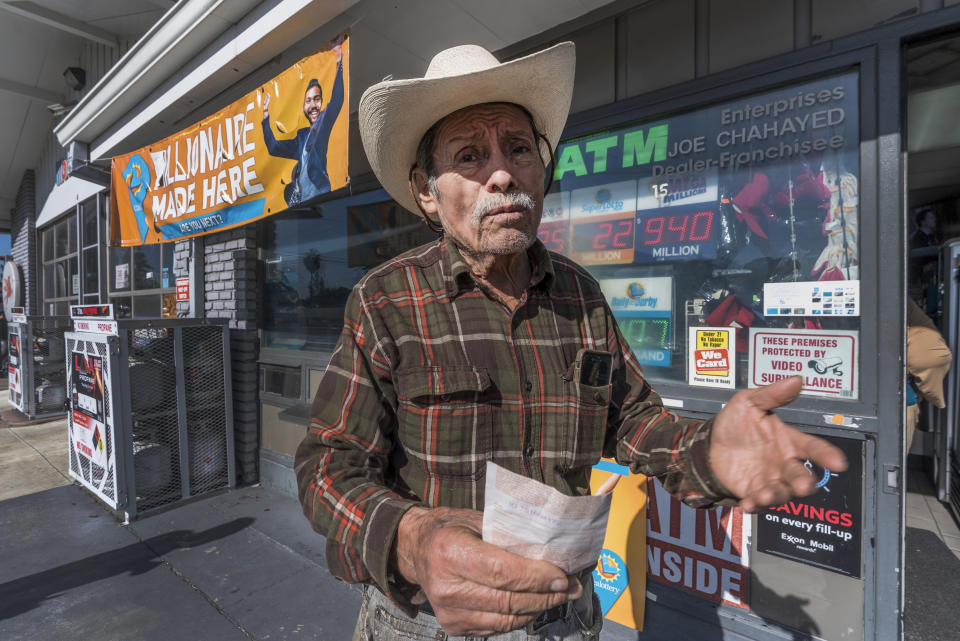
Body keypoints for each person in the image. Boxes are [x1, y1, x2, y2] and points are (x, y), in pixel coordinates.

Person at [295, 42, 847, 640]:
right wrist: (410, 541)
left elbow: (636, 422)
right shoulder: (386, 301)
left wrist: (706, 451)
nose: (502, 173)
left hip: (566, 619)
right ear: (427, 192)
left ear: (543, 167)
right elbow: (328, 466)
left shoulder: (581, 295)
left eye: (518, 149)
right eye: (470, 156)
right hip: (428, 623)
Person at [262, 39, 344, 207]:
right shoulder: (301, 137)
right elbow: (273, 147)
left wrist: (339, 59)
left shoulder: (323, 123)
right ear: (303, 106)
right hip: (302, 206)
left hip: (321, 199)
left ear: (321, 103)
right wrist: (265, 115)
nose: (313, 104)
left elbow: (336, 100)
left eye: (317, 99)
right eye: (308, 101)